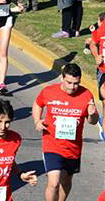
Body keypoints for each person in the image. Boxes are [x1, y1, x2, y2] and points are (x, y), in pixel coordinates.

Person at [32, 63, 99, 201]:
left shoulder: (86, 95)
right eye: (69, 82)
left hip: (73, 148)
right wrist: (37, 121)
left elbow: (92, 121)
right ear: (62, 78)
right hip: (52, 145)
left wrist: (92, 114)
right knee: (53, 183)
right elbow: (38, 104)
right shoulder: (49, 91)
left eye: (76, 83)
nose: (72, 87)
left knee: (66, 182)